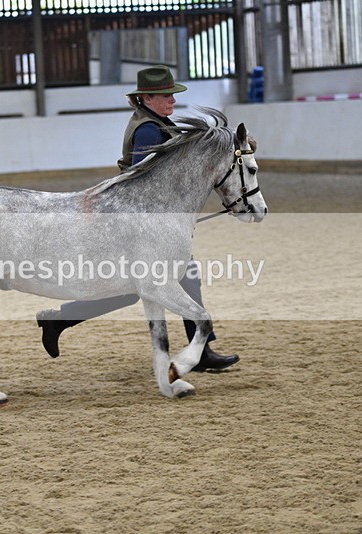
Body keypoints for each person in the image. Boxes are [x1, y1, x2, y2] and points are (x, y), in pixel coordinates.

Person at [36, 65, 239, 372]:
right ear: (146, 97)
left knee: (184, 278)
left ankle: (202, 348)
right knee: (130, 290)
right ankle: (58, 320)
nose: (171, 100)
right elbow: (145, 180)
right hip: (135, 226)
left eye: (172, 95)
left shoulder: (159, 121)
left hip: (146, 222)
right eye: (164, 95)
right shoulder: (147, 129)